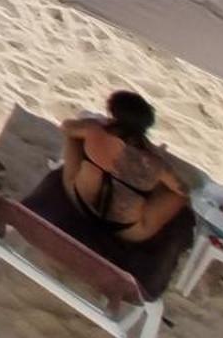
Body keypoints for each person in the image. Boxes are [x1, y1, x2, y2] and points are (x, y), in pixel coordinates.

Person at [59, 92, 189, 244]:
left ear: (113, 114)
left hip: (80, 202)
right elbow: (182, 190)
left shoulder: (93, 130)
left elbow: (66, 126)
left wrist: (98, 126)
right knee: (178, 196)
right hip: (126, 230)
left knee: (74, 137)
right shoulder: (154, 163)